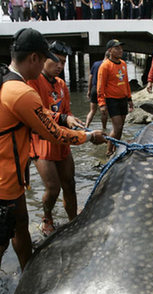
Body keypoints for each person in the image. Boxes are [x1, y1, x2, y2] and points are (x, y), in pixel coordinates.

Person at [0, 28, 106, 271]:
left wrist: (62, 117)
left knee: (19, 224)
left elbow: (41, 115)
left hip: (11, 174)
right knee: (5, 236)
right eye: (49, 59)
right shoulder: (22, 91)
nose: (57, 65)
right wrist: (89, 137)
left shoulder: (7, 80)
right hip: (5, 178)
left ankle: (27, 271)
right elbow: (53, 133)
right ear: (35, 58)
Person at [27, 40, 82, 237]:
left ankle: (73, 219)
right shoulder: (32, 82)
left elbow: (67, 111)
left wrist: (74, 123)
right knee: (53, 187)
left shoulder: (61, 84)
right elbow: (38, 113)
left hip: (61, 139)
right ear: (43, 60)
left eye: (64, 63)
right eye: (57, 61)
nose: (60, 66)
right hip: (42, 142)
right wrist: (65, 118)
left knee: (70, 183)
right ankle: (47, 218)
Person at [97, 39, 134, 156]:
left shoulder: (123, 64)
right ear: (110, 50)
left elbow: (126, 83)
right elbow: (100, 86)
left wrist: (129, 99)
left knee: (121, 127)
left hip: (123, 99)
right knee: (117, 127)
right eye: (117, 48)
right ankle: (108, 150)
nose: (120, 50)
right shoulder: (105, 66)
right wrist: (102, 104)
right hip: (112, 100)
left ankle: (115, 148)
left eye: (121, 48)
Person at [86, 54, 108, 129]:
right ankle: (104, 128)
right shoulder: (108, 65)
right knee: (104, 111)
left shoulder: (95, 64)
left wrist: (89, 90)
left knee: (92, 111)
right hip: (103, 90)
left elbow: (90, 77)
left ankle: (86, 126)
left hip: (94, 89)